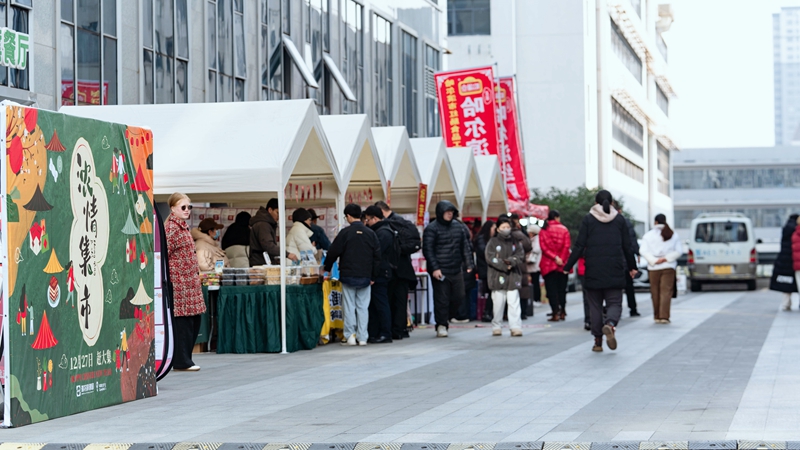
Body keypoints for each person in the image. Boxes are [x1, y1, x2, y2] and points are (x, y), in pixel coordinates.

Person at [564, 190, 637, 353]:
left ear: (596, 203)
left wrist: (567, 266)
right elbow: (627, 246)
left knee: (595, 306)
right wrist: (632, 267)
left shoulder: (588, 219)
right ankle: (610, 324)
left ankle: (597, 342)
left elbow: (579, 246)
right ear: (611, 203)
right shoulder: (620, 220)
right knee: (614, 303)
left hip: (593, 269)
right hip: (615, 268)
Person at [323, 204, 381, 346]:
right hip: (366, 276)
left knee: (349, 306)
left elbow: (332, 252)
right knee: (362, 307)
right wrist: (373, 276)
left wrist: (327, 268)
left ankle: (350, 336)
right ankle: (362, 338)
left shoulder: (345, 233)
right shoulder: (370, 233)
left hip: (348, 275)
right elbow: (377, 257)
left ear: (348, 216)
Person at [165, 192, 206, 371]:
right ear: (173, 208)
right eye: (183, 207)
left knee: (193, 320)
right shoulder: (172, 228)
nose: (187, 210)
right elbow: (163, 254)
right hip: (180, 282)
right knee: (183, 322)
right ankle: (182, 361)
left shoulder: (183, 227)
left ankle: (185, 358)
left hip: (190, 282)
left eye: (189, 207)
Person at [422, 200, 474, 337]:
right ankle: (441, 324)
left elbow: (465, 247)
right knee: (441, 299)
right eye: (447, 212)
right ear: (440, 213)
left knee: (460, 296)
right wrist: (435, 268)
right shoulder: (432, 228)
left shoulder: (459, 227)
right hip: (440, 270)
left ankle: (448, 316)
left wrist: (469, 263)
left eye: (452, 212)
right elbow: (428, 250)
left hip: (456, 269)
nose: (450, 215)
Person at [376, 201, 420, 340]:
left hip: (390, 268)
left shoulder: (386, 226)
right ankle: (400, 329)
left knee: (389, 299)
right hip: (404, 268)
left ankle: (390, 329)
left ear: (380, 212)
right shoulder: (403, 222)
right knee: (401, 300)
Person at [640, 214, 683, 324]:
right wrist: (666, 258)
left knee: (655, 292)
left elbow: (643, 251)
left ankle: (657, 316)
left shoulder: (648, 235)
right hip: (668, 266)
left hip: (653, 267)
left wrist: (654, 260)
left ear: (655, 222)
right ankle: (664, 316)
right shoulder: (673, 234)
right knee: (666, 292)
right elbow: (679, 251)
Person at [486, 216, 525, 336]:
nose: (506, 229)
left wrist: (512, 262)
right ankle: (496, 325)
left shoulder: (515, 241)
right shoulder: (492, 242)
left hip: (513, 275)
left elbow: (520, 255)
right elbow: (490, 257)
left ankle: (515, 326)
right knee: (498, 303)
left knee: (514, 302)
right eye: (503, 227)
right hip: (497, 276)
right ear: (498, 229)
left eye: (508, 227)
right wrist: (504, 265)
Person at [364, 205, 397, 344]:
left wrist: (373, 274)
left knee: (381, 303)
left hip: (380, 273)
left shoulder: (382, 233)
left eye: (368, 219)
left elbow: (376, 255)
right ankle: (376, 332)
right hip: (381, 271)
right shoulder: (383, 230)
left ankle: (385, 333)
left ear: (375, 218)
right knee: (376, 304)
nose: (366, 222)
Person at [539, 210, 571, 322]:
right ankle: (562, 310)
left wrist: (554, 257)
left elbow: (543, 247)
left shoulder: (543, 230)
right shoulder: (564, 229)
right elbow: (567, 246)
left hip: (548, 264)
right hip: (562, 265)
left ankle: (555, 312)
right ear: (557, 217)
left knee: (551, 289)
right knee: (562, 289)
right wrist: (561, 259)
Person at [249, 198, 298, 266]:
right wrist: (287, 254)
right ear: (270, 210)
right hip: (260, 265)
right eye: (277, 213)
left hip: (263, 263)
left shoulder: (266, 223)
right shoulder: (263, 225)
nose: (279, 216)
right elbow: (268, 245)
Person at [615, 202, 641, 317]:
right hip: (624, 260)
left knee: (614, 288)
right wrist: (636, 255)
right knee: (629, 286)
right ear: (620, 210)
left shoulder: (603, 221)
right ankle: (633, 309)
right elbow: (631, 241)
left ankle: (614, 310)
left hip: (612, 261)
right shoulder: (625, 222)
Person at [770, 214, 799, 310]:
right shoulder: (795, 231)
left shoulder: (786, 229)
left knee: (786, 284)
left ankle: (785, 304)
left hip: (784, 260)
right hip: (794, 260)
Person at [452, 210, 475, 323]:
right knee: (465, 293)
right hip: (466, 267)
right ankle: (466, 314)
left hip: (460, 267)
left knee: (460, 292)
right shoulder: (464, 227)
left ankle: (461, 315)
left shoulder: (456, 227)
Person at [508, 214, 533, 319]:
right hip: (521, 264)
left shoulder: (502, 236)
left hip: (507, 264)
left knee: (511, 289)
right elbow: (528, 246)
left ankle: (510, 313)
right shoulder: (520, 234)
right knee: (522, 288)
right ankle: (523, 312)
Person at [474, 221, 496, 322]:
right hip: (486, 270)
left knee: (491, 292)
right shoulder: (482, 239)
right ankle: (486, 312)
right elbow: (484, 252)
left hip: (489, 269)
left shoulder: (489, 239)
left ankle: (488, 312)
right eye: (493, 228)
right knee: (490, 292)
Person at [526, 224, 542, 308]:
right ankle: (535, 298)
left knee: (535, 282)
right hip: (532, 265)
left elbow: (536, 249)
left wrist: (529, 250)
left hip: (535, 265)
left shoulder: (537, 240)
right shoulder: (532, 239)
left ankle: (537, 299)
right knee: (534, 282)